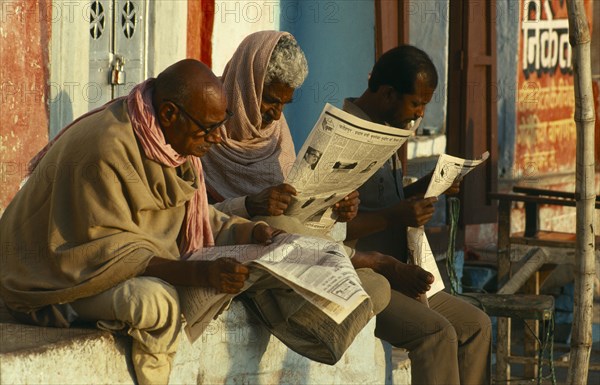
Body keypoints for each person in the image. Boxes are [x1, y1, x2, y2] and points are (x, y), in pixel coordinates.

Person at [0, 59, 283, 385]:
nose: (217, 138)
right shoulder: (107, 145)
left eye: (222, 123)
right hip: (49, 282)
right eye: (208, 127)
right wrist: (199, 272)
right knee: (157, 302)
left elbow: (190, 216)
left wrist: (252, 231)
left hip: (101, 268)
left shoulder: (172, 144)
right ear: (169, 114)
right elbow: (108, 252)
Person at [200, 31, 391, 320]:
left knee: (379, 289)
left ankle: (342, 277)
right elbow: (191, 216)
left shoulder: (276, 136)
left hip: (289, 249)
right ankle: (355, 263)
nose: (276, 115)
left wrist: (335, 210)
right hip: (229, 245)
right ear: (248, 87)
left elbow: (301, 213)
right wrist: (250, 205)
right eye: (270, 101)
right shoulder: (205, 121)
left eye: (284, 105)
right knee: (279, 223)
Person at [344, 45, 491, 385]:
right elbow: (334, 229)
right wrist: (398, 215)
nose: (420, 114)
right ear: (388, 94)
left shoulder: (387, 128)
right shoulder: (348, 135)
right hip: (365, 276)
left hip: (404, 272)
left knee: (475, 325)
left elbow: (382, 201)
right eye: (416, 103)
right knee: (437, 333)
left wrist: (424, 187)